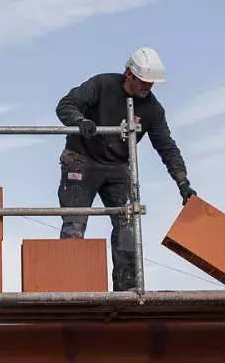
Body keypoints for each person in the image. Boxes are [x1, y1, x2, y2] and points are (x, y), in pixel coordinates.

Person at [54, 46, 196, 291]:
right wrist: (80, 121)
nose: (147, 88)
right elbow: (66, 104)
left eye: (151, 83)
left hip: (117, 166)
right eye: (143, 82)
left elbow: (167, 146)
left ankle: (126, 289)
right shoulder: (102, 85)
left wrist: (182, 182)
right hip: (81, 158)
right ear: (128, 73)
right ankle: (71, 287)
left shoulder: (153, 109)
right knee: (74, 223)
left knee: (128, 224)